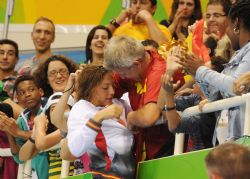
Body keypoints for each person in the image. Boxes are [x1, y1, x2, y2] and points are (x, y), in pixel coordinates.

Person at [177, 0, 250, 141]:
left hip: (244, 141)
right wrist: (195, 72)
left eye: (228, 25)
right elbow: (215, 96)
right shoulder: (238, 55)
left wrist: (200, 70)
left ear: (236, 24)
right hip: (230, 142)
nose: (226, 32)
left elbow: (237, 87)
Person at [104, 36, 185, 162]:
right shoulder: (129, 67)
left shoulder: (159, 70)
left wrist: (131, 117)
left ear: (136, 64)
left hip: (171, 147)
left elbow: (149, 116)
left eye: (123, 74)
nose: (122, 78)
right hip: (145, 149)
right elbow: (100, 96)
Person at [60, 65, 135, 179]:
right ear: (90, 88)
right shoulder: (81, 109)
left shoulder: (121, 104)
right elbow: (76, 149)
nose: (112, 91)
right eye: (105, 87)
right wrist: (98, 118)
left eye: (113, 86)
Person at [3, 75, 49, 179]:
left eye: (31, 90)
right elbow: (19, 158)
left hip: (57, 168)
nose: (27, 94)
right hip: (37, 174)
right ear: (18, 99)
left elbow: (46, 136)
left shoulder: (49, 108)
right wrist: (8, 130)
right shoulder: (21, 120)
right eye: (22, 93)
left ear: (40, 92)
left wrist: (18, 132)